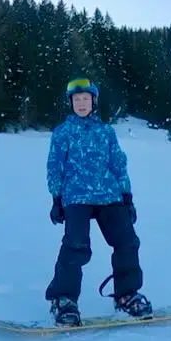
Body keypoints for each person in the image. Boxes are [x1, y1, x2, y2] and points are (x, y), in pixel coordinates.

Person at [44, 77, 151, 326]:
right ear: (71, 103)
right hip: (76, 196)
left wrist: (127, 197)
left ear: (94, 101)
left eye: (86, 99)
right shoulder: (63, 133)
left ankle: (127, 295)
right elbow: (54, 167)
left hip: (109, 195)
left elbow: (118, 164)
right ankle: (64, 300)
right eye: (76, 99)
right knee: (76, 246)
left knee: (127, 242)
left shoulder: (106, 132)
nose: (81, 103)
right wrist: (56, 198)